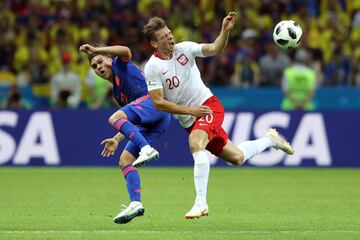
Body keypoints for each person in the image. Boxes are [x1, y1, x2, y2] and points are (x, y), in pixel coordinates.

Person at [140, 12, 294, 219]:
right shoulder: (152, 67)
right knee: (237, 157)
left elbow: (214, 48)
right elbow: (158, 102)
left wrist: (225, 31)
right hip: (190, 117)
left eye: (169, 33)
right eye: (163, 37)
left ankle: (200, 203)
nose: (169, 38)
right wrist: (190, 112)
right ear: (153, 43)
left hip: (208, 106)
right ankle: (270, 140)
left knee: (196, 143)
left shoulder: (185, 49)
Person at [79, 44, 171, 224]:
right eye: (94, 66)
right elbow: (132, 120)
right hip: (155, 120)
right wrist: (116, 139)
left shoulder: (119, 65)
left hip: (155, 103)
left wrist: (97, 50)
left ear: (109, 59)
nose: (98, 67)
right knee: (125, 161)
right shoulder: (117, 93)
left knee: (114, 118)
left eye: (100, 62)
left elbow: (126, 50)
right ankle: (136, 203)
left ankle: (146, 149)